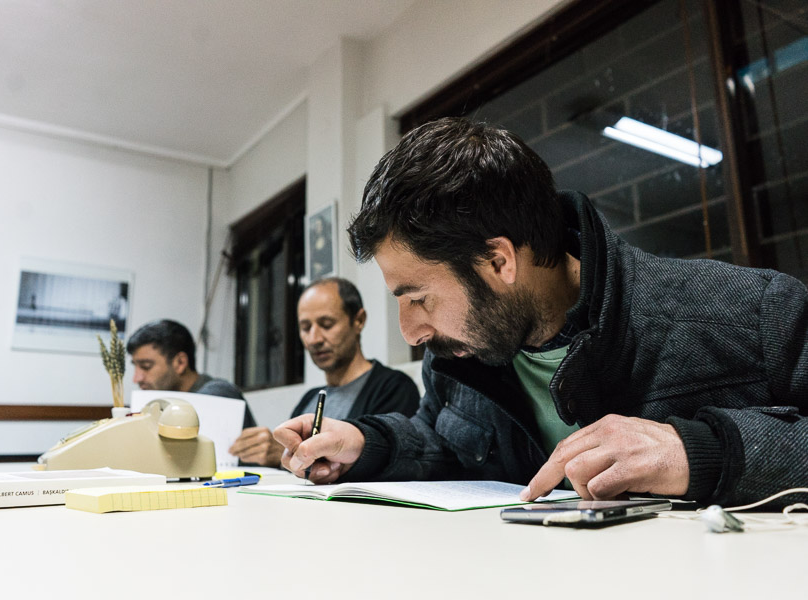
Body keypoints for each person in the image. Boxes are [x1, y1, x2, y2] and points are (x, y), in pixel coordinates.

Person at [274, 117, 808, 508]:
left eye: (419, 298)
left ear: (498, 260)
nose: (413, 333)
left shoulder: (754, 313)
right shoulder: (459, 358)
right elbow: (443, 442)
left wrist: (697, 451)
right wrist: (367, 445)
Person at [229, 277, 420, 466]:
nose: (314, 339)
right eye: (305, 328)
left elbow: (384, 461)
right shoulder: (309, 398)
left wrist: (287, 453)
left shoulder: (393, 388)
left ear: (359, 321)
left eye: (327, 324)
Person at [127, 319, 256, 428]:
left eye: (146, 366)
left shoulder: (219, 394)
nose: (136, 378)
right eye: (136, 367)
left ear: (180, 362)